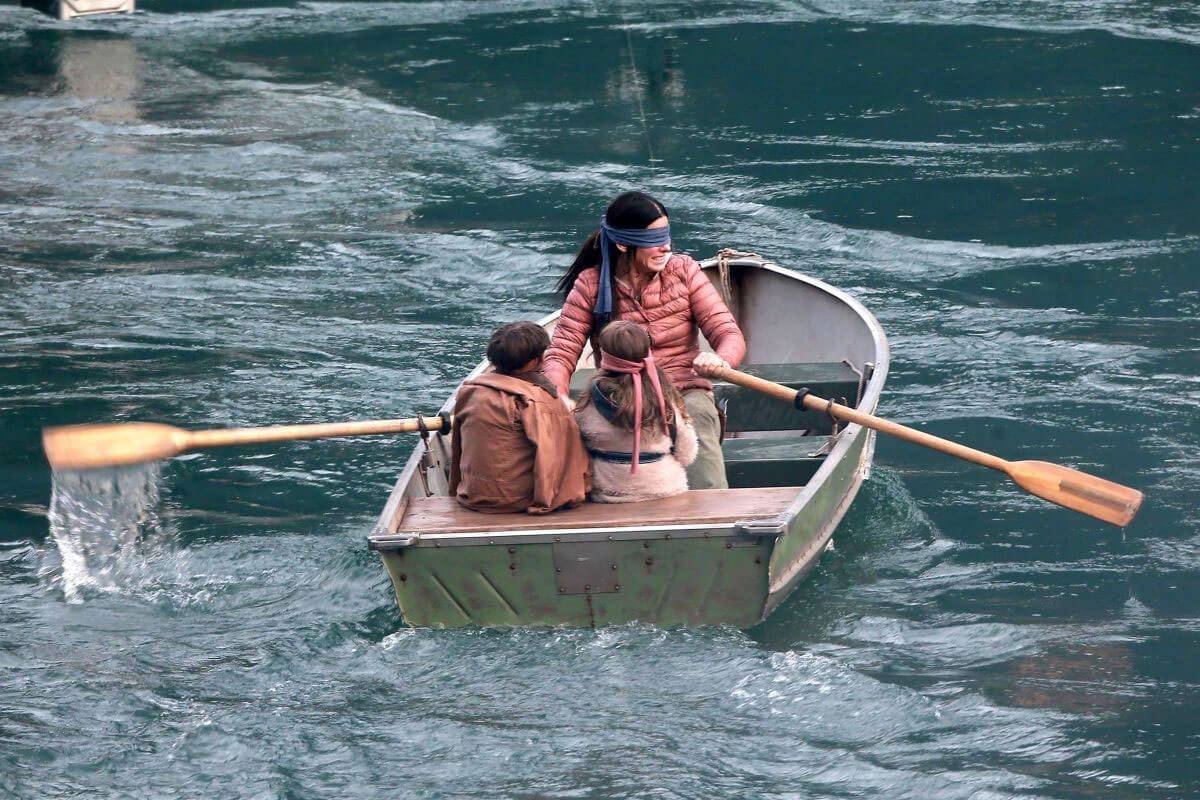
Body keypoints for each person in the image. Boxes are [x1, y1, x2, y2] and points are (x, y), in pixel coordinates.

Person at [542, 191, 746, 490]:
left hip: (684, 390)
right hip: (619, 395)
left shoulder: (685, 271)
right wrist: (558, 393)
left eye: (667, 235)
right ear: (623, 244)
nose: (666, 247)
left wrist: (720, 359)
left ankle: (711, 516)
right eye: (655, 240)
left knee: (698, 421)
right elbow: (561, 353)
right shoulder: (590, 284)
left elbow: (729, 334)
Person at [448, 321, 591, 514]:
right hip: (516, 500)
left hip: (471, 495)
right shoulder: (538, 401)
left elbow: (458, 449)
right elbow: (553, 458)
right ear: (535, 360)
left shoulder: (470, 392)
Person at [574, 321, 698, 503]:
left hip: (607, 494)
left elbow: (579, 448)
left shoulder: (589, 401)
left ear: (603, 354)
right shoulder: (662, 397)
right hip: (665, 491)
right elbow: (686, 453)